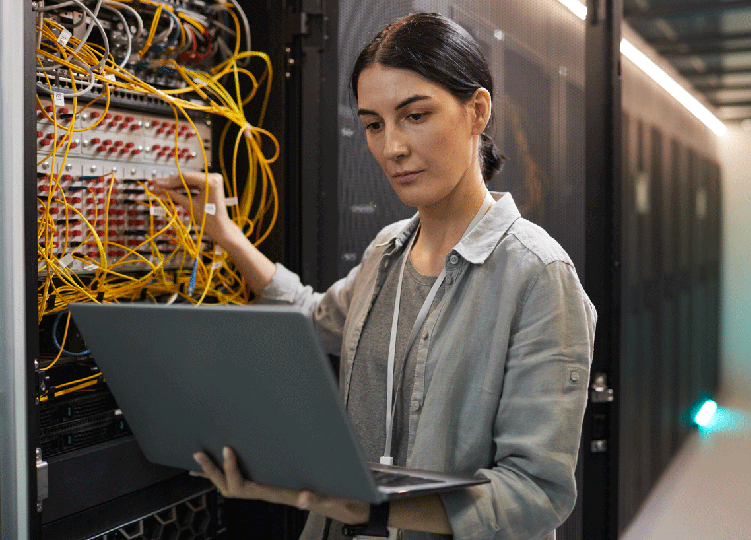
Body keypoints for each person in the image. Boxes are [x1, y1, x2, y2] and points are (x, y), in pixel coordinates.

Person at [153, 12, 596, 540]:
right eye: (374, 124)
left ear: (477, 111)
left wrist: (372, 510)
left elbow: (535, 494)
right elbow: (312, 317)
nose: (392, 148)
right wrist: (227, 237)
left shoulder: (538, 275)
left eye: (415, 116)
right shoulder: (387, 250)